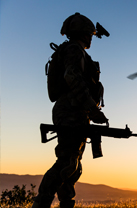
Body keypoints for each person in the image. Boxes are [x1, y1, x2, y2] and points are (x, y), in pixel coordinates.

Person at [32, 13, 108, 208]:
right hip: (70, 111)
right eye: (88, 34)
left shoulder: (76, 51)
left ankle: (66, 203)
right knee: (67, 162)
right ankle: (41, 204)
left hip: (77, 111)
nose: (91, 38)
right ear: (82, 34)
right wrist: (93, 109)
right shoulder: (74, 49)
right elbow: (72, 77)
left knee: (74, 166)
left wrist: (89, 110)